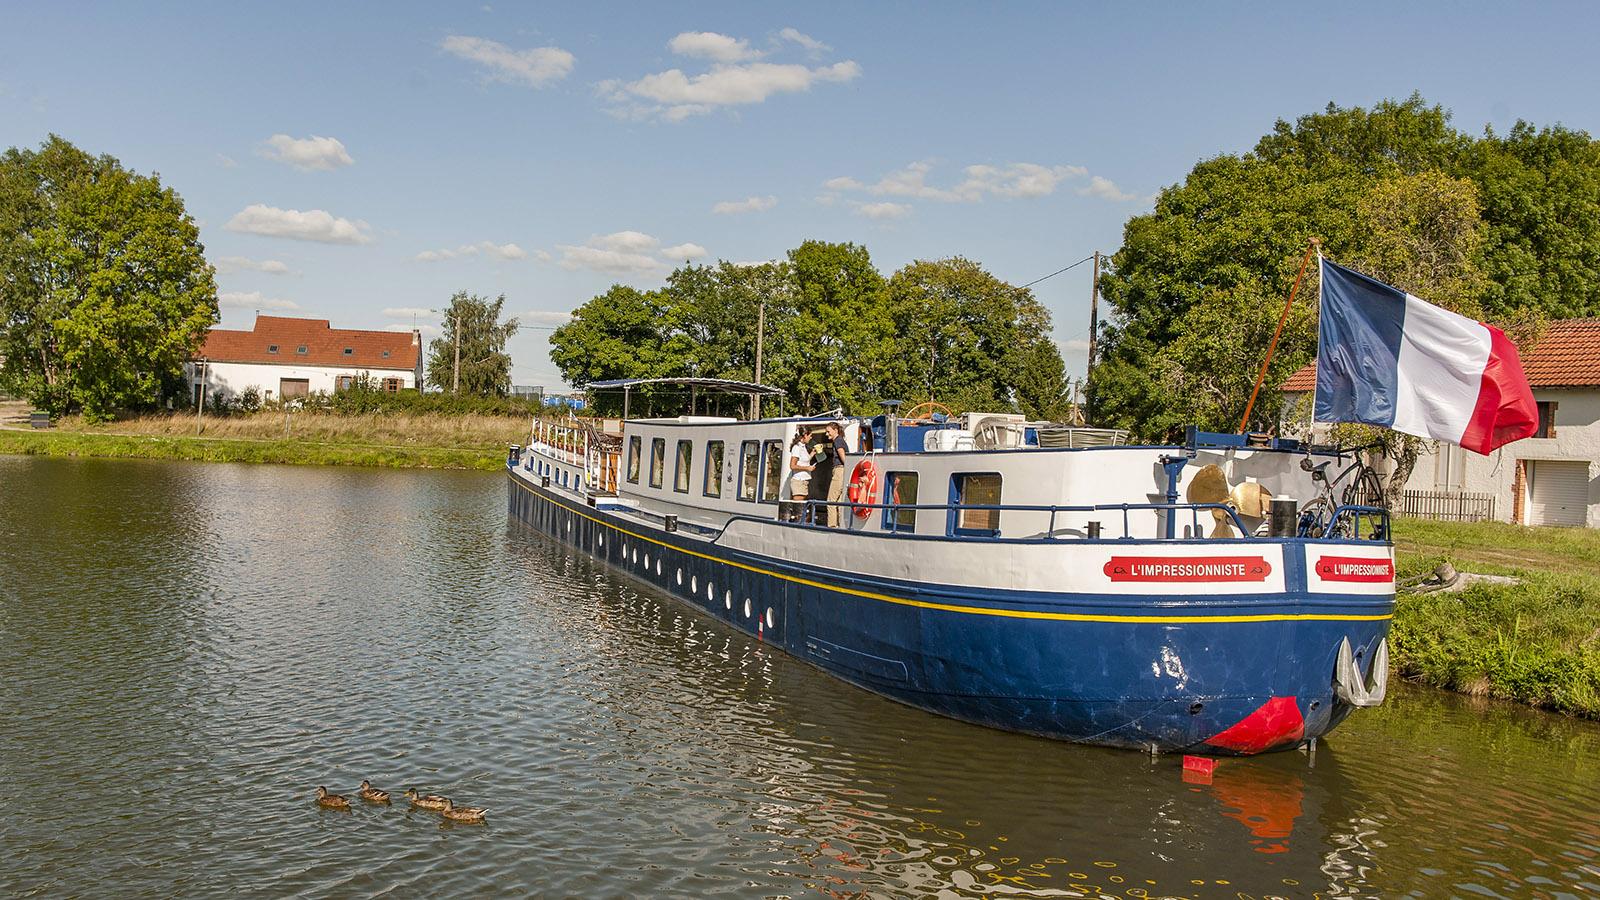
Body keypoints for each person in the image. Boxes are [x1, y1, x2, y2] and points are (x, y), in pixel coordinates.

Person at [783, 429, 814, 522]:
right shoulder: (796, 447)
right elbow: (792, 465)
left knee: (802, 507)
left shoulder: (803, 447)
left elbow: (805, 460)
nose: (811, 437)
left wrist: (812, 453)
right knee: (798, 509)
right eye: (810, 435)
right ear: (804, 435)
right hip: (799, 481)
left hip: (804, 481)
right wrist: (807, 469)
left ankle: (800, 522)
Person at [823, 422, 849, 527]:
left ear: (835, 430)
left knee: (830, 501)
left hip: (839, 470)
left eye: (828, 431)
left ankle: (832, 526)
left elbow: (843, 458)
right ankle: (841, 525)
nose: (826, 434)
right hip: (842, 471)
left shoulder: (838, 441)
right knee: (839, 501)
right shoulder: (840, 440)